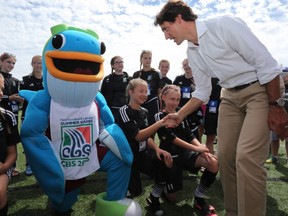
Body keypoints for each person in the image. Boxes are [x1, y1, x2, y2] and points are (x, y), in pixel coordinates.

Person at [154, 1, 288, 216]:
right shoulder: (192, 50)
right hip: (229, 96)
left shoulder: (224, 25)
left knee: (246, 158)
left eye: (166, 29)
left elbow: (267, 65)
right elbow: (203, 91)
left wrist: (277, 106)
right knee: (224, 158)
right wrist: (179, 114)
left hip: (259, 90)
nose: (166, 36)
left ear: (178, 18)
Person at [155, 84, 218, 215]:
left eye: (177, 100)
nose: (175, 103)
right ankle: (162, 187)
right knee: (172, 200)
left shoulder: (180, 113)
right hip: (171, 158)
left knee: (213, 162)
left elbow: (189, 134)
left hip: (186, 154)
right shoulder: (159, 116)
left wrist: (201, 149)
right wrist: (197, 148)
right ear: (163, 97)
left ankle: (199, 199)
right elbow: (172, 139)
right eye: (172, 99)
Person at [116, 78, 173, 216]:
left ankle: (154, 199)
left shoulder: (145, 112)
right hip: (129, 158)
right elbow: (138, 136)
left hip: (143, 153)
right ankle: (123, 207)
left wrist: (157, 149)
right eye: (140, 91)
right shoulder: (124, 111)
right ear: (130, 92)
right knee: (134, 191)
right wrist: (160, 123)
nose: (144, 94)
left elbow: (147, 138)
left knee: (164, 164)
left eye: (146, 91)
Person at [20, 55, 44, 176]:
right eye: (35, 63)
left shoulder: (48, 80)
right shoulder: (25, 80)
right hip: (28, 115)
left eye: (40, 63)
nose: (38, 65)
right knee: (29, 142)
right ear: (32, 64)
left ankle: (43, 165)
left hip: (45, 117)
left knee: (44, 142)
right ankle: (29, 165)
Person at [0, 73, 20, 216]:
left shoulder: (7, 116)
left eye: (1, 89)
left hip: (2, 166)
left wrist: (5, 167)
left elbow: (12, 152)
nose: (1, 94)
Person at [0, 52, 23, 177]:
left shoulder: (14, 80)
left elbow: (16, 97)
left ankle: (11, 167)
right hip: (1, 115)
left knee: (12, 141)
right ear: (1, 61)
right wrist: (9, 97)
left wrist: (19, 99)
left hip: (13, 116)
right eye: (8, 61)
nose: (11, 65)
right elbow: (7, 97)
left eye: (13, 63)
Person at [173, 59, 203, 140]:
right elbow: (172, 93)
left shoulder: (198, 79)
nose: (187, 66)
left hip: (194, 111)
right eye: (184, 65)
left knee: (196, 135)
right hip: (181, 110)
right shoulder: (178, 79)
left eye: (188, 64)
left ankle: (197, 151)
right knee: (182, 135)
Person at [132, 50, 160, 127]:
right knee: (140, 126)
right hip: (139, 104)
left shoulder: (156, 74)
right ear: (141, 59)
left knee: (152, 126)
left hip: (152, 103)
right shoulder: (136, 74)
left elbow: (159, 92)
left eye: (149, 58)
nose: (148, 60)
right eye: (145, 58)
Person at [204, 78, 222, 154]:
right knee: (210, 138)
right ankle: (209, 163)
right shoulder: (208, 77)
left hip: (225, 109)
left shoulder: (225, 74)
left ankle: (223, 163)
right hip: (211, 111)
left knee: (225, 139)